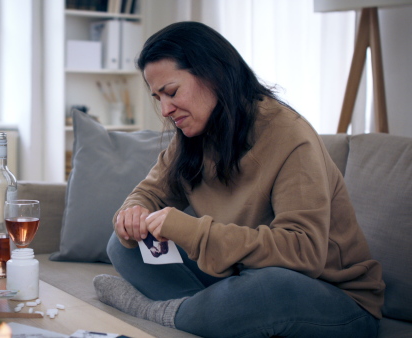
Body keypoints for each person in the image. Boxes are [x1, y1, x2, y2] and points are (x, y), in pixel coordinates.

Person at [93, 21, 385, 338]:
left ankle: (161, 313)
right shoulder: (192, 134)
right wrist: (132, 213)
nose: (164, 109)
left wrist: (190, 230)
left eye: (172, 92)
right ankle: (214, 315)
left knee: (265, 289)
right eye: (157, 97)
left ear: (213, 73)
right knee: (124, 245)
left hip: (331, 297)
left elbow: (303, 252)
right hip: (243, 274)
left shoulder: (289, 135)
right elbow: (149, 193)